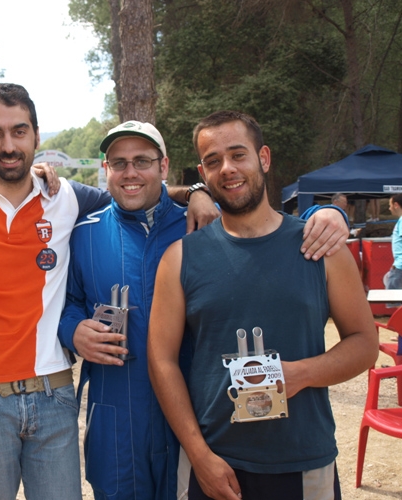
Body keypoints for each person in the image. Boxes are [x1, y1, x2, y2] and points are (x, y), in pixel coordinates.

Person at [0, 85, 347, 500]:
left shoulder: (73, 202)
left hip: (62, 399)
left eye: (18, 131)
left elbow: (144, 190)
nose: (8, 144)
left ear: (36, 136)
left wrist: (203, 192)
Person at [58, 121, 350, 500]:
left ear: (163, 167)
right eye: (119, 163)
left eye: (142, 161)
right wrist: (73, 331)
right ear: (106, 170)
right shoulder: (84, 234)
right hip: (117, 421)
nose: (130, 172)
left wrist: (330, 214)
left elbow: (258, 224)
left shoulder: (200, 224)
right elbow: (64, 305)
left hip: (198, 421)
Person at [148, 110, 378, 500]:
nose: (227, 169)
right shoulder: (180, 258)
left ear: (264, 158)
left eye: (238, 154)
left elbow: (364, 344)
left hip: (304, 461)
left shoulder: (320, 247)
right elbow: (162, 361)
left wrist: (300, 374)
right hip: (215, 465)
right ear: (203, 173)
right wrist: (199, 455)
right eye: (213, 161)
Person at [384, 193, 402, 290]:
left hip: (399, 267)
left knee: (393, 302)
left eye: (390, 205)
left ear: (396, 205)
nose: (389, 208)